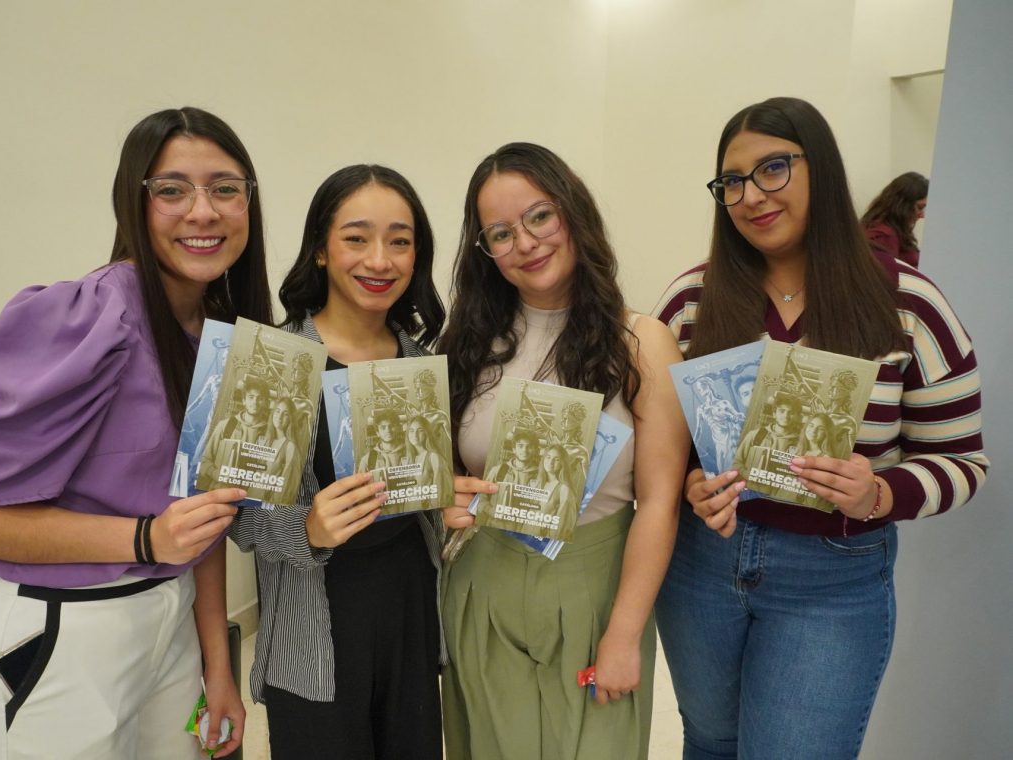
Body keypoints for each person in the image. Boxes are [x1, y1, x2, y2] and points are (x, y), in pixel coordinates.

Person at [0, 107, 270, 758]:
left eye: (225, 188)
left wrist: (218, 668)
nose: (203, 212)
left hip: (169, 625)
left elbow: (201, 520)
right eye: (172, 189)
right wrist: (145, 537)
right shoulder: (87, 318)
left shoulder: (218, 339)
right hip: (59, 630)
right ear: (133, 203)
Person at [652, 96, 988, 759]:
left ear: (821, 168)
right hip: (701, 565)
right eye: (732, 182)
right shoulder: (692, 301)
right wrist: (691, 481)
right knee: (710, 744)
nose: (751, 195)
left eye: (773, 168)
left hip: (832, 574)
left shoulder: (908, 303)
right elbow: (661, 445)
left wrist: (879, 493)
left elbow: (961, 461)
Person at [438, 142, 689, 760]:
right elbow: (444, 468)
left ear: (573, 212)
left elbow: (659, 503)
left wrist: (624, 635)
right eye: (500, 233)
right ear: (484, 250)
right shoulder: (466, 342)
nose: (525, 243)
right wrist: (446, 497)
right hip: (484, 584)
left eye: (540, 216)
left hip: (595, 589)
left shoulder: (642, 343)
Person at [228, 164, 447, 760]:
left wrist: (451, 505)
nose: (380, 260)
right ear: (321, 250)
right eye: (356, 238)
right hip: (313, 626)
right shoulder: (274, 359)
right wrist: (306, 528)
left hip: (408, 610)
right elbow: (238, 518)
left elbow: (424, 494)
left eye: (399, 241)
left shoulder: (421, 363)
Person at [197, 374, 272, 489]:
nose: (255, 402)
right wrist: (215, 474)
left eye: (260, 398)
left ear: (266, 402)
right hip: (216, 491)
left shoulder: (270, 434)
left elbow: (268, 472)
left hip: (246, 495)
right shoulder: (225, 425)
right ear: (244, 400)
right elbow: (204, 461)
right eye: (251, 397)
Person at [860, 171, 928, 267]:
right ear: (902, 205)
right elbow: (887, 273)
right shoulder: (883, 236)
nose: (922, 215)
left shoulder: (894, 230)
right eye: (920, 207)